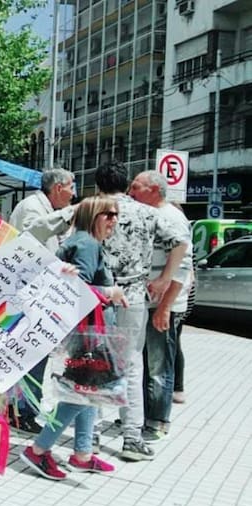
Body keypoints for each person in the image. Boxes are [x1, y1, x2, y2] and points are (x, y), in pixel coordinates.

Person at [20, 196, 127, 480]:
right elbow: (78, 287)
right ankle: (39, 450)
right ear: (93, 214)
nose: (114, 220)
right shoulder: (88, 244)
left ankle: (83, 453)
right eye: (109, 214)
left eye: (116, 215)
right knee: (83, 394)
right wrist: (111, 293)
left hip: (81, 330)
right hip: (86, 331)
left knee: (89, 393)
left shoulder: (80, 240)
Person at [94, 161, 189, 461]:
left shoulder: (91, 209)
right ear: (125, 185)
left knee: (94, 361)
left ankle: (90, 434)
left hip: (99, 295)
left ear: (98, 185)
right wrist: (164, 278)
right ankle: (132, 438)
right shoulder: (148, 213)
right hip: (134, 297)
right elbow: (180, 242)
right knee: (132, 365)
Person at [7, 167, 76, 434]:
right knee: (31, 353)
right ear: (58, 187)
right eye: (71, 187)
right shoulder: (33, 208)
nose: (73, 194)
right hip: (27, 294)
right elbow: (36, 236)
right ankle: (20, 410)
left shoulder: (43, 206)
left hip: (40, 294)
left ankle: (26, 407)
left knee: (36, 352)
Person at [128, 170, 193, 441]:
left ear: (154, 190)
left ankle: (156, 421)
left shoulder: (170, 218)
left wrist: (165, 307)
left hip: (162, 305)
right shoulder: (149, 215)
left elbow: (183, 266)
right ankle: (146, 416)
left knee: (157, 366)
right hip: (150, 301)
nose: (131, 193)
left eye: (136, 187)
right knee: (147, 363)